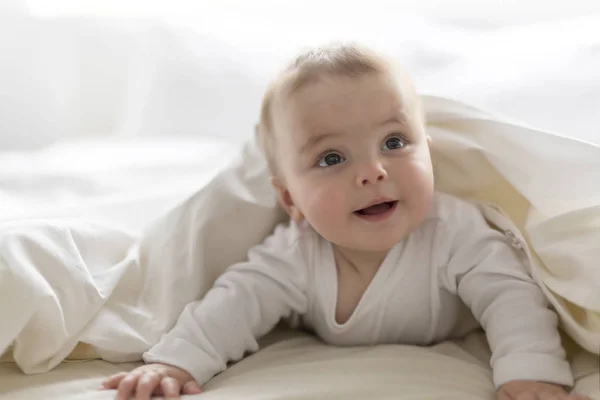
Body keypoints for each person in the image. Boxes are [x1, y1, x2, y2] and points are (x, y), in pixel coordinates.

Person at [103, 43, 589, 400]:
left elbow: (510, 296)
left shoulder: (453, 231)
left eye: (395, 143)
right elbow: (236, 301)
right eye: (332, 157)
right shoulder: (297, 253)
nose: (374, 171)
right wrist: (175, 362)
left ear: (430, 157)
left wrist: (530, 371)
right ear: (290, 199)